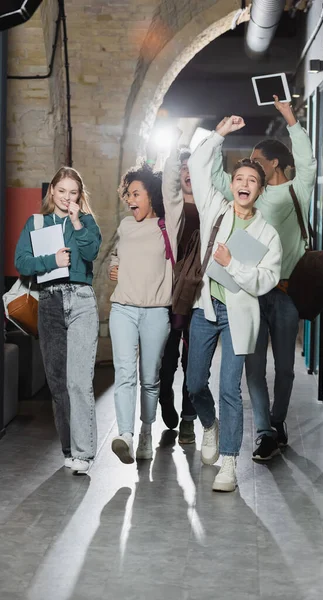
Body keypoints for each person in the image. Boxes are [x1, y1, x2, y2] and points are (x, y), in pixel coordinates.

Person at [211, 96, 317, 462]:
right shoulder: (247, 191)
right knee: (254, 368)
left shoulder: (293, 191)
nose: (250, 168)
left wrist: (291, 121)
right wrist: (217, 138)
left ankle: (277, 421)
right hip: (251, 291)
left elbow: (307, 163)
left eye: (257, 160)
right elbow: (214, 178)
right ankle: (264, 433)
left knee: (285, 369)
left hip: (285, 293)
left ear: (273, 163)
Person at [186, 116, 282, 492]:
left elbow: (266, 279)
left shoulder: (266, 233)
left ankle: (229, 463)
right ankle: (209, 425)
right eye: (239, 179)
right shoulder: (217, 209)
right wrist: (219, 134)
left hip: (239, 315)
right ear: (232, 184)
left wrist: (233, 265)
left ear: (259, 190)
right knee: (195, 384)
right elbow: (196, 165)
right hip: (206, 307)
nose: (244, 185)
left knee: (230, 388)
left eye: (252, 181)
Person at [15, 167, 102, 474]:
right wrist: (52, 261)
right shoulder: (36, 223)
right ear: (51, 191)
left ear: (80, 196)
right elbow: (21, 261)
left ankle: (84, 453)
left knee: (79, 381)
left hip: (80, 301)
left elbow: (92, 251)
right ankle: (69, 448)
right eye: (62, 191)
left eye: (73, 192)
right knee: (57, 382)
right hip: (49, 302)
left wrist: (77, 221)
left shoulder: (86, 222)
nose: (67, 197)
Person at [108, 159, 183, 465]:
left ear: (151, 194)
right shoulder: (125, 226)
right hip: (122, 309)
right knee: (124, 374)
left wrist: (173, 154)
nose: (130, 200)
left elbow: (173, 190)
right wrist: (114, 266)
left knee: (150, 379)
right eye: (128, 194)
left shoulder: (168, 225)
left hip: (155, 312)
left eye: (136, 193)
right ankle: (125, 435)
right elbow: (116, 254)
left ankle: (146, 433)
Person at [158, 149, 200, 444]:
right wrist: (175, 150)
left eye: (192, 167)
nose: (187, 172)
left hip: (198, 296)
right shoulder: (171, 209)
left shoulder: (211, 209)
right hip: (170, 295)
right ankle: (164, 396)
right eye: (183, 167)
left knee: (193, 361)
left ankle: (188, 417)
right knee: (167, 356)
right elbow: (169, 179)